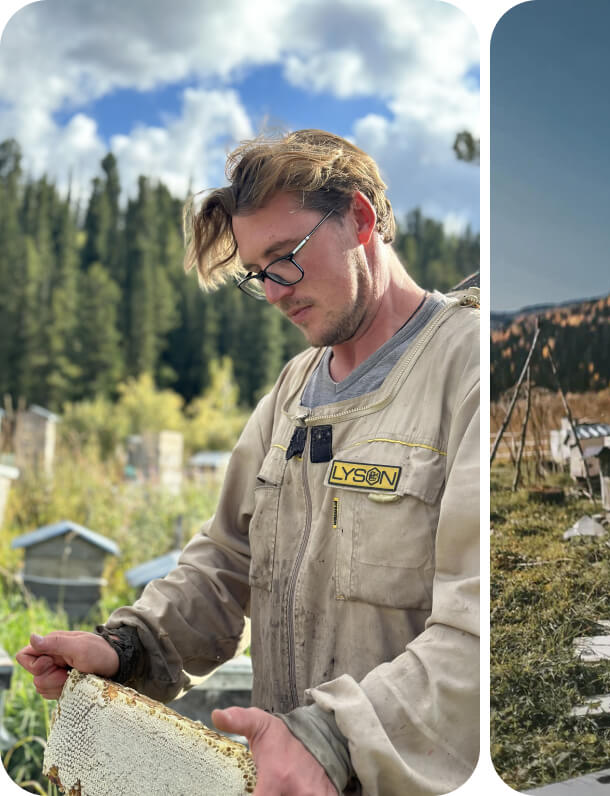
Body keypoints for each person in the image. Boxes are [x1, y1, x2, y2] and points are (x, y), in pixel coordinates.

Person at [15, 129, 480, 796]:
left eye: (284, 257)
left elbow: (476, 634)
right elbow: (226, 562)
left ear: (359, 217)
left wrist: (329, 737)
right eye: (259, 273)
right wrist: (129, 646)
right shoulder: (289, 395)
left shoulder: (466, 371)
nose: (273, 293)